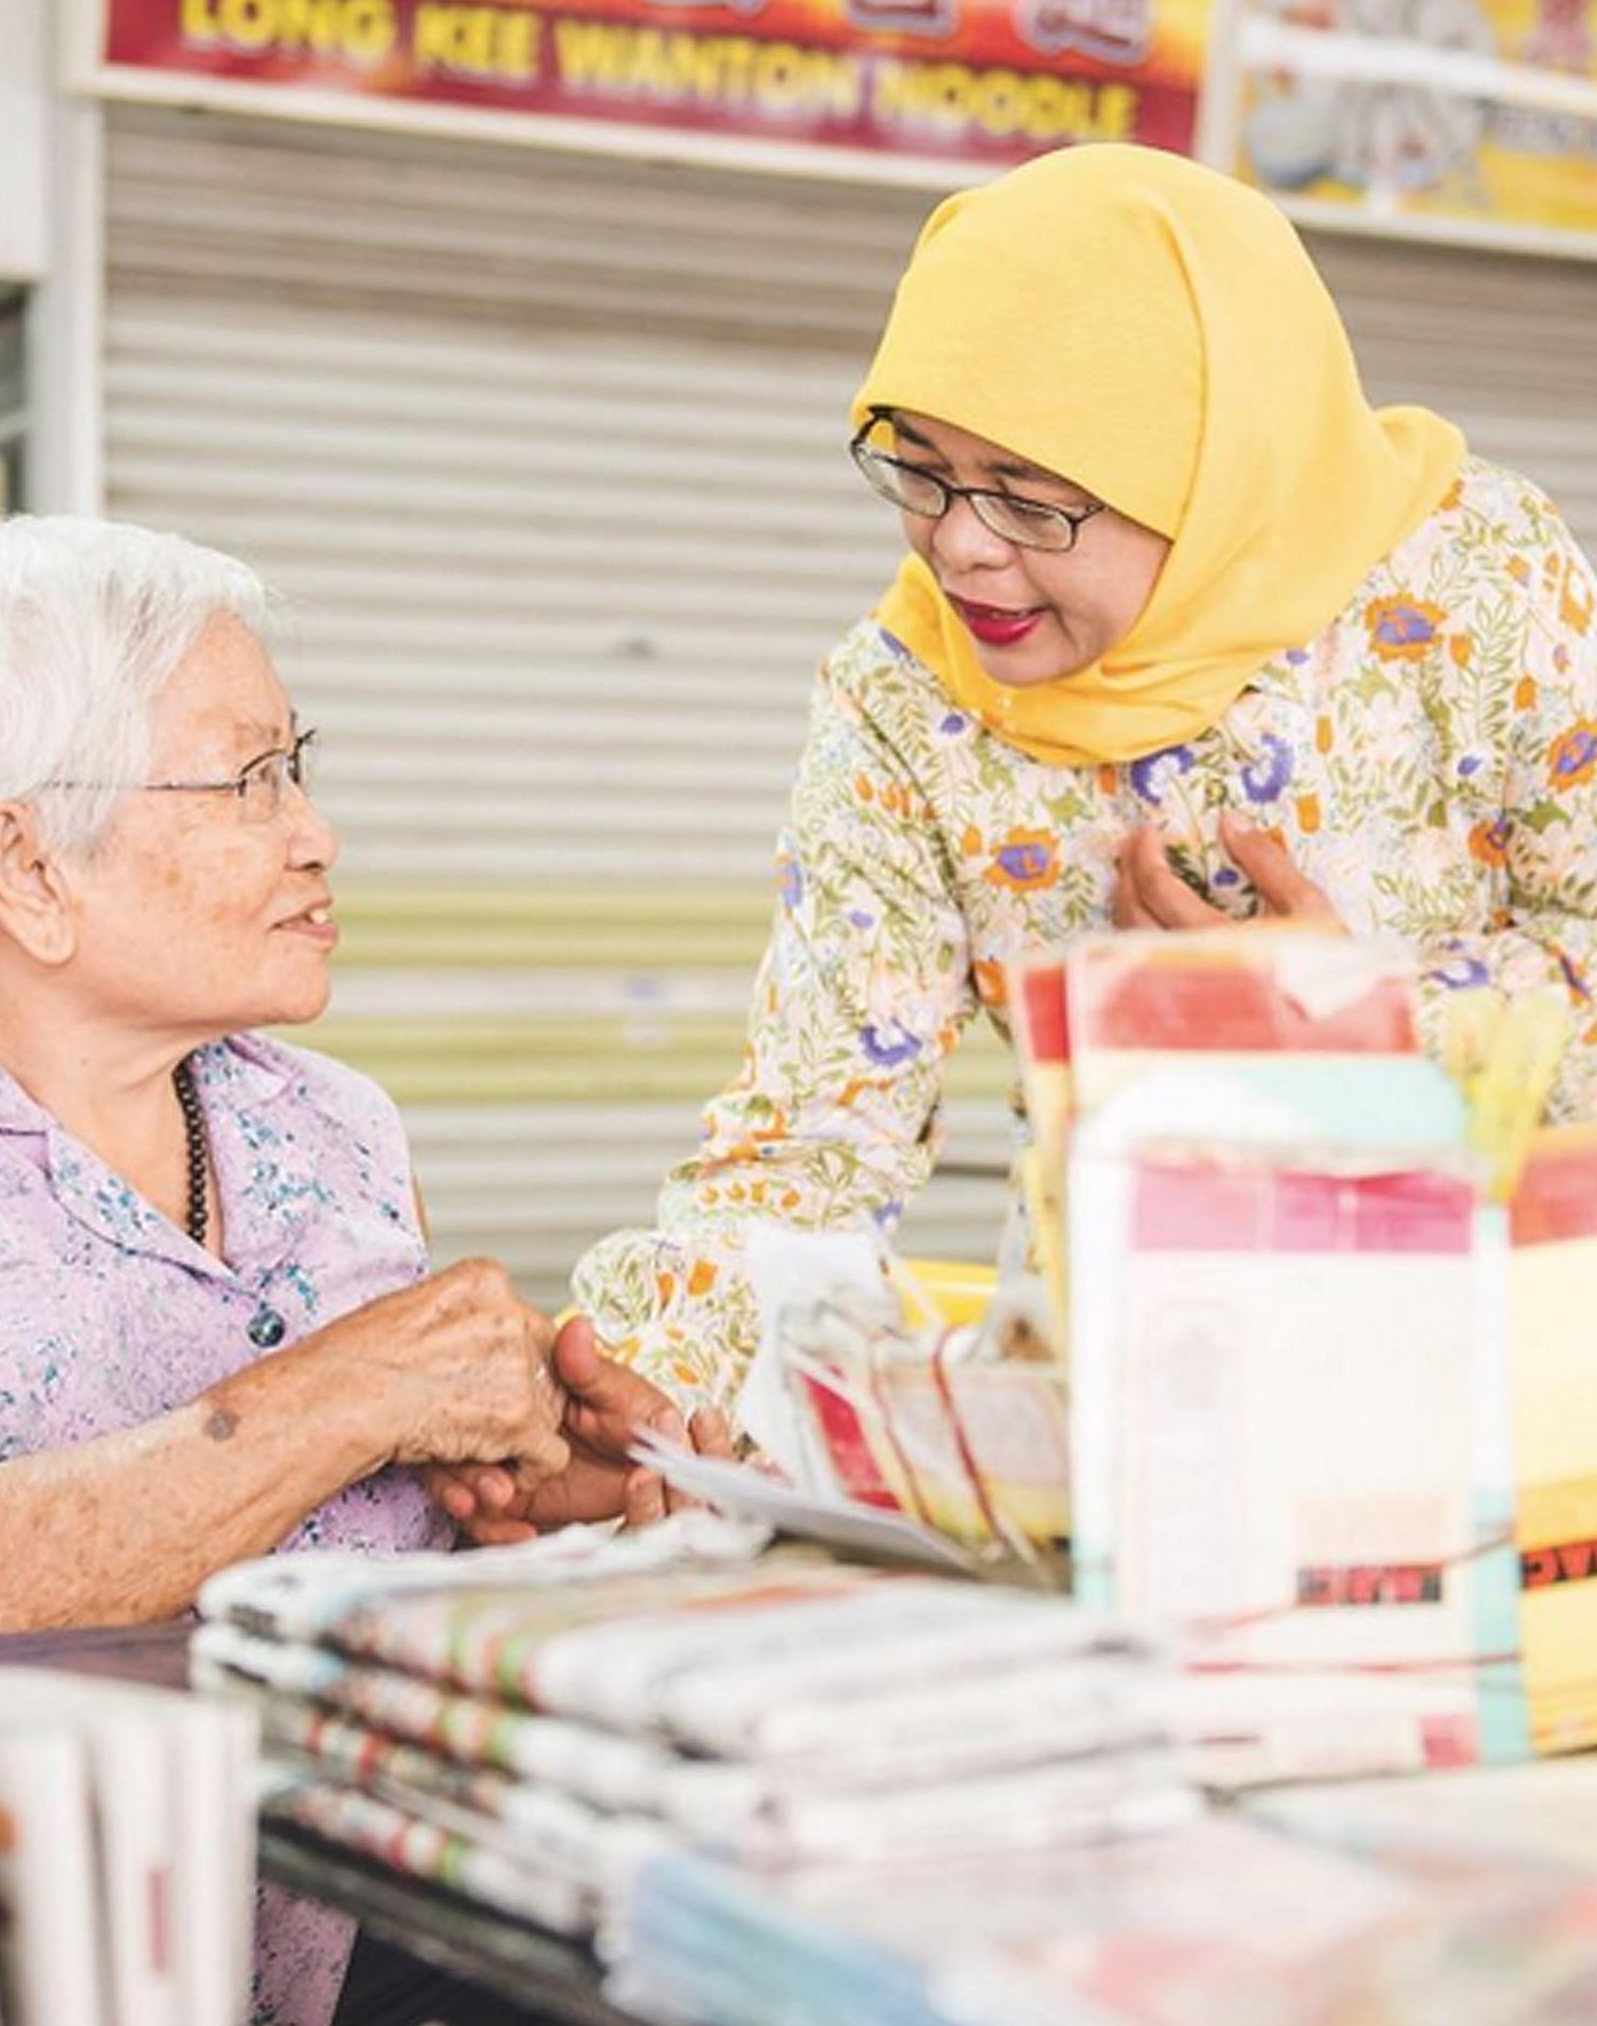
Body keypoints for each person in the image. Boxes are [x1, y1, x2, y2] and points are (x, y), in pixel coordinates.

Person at [0, 515, 718, 2026]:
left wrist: (536, 1491)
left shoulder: (332, 1120)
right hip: (20, 1993)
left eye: (297, 763)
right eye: (250, 780)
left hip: (385, 1916)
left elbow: (393, 1540)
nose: (317, 831)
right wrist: (356, 1390)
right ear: (25, 861)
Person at [569, 141, 1597, 1411]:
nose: (957, 547)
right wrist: (642, 1381)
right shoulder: (904, 700)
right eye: (922, 468)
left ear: (1212, 466)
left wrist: (1359, 1015)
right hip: (1128, 1390)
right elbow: (811, 1138)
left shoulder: (1475, 584)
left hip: (1515, 1371)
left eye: (1027, 497)